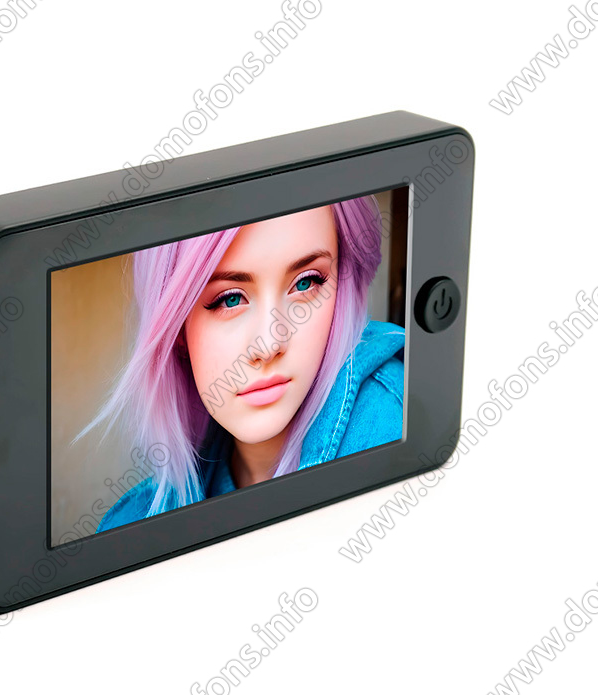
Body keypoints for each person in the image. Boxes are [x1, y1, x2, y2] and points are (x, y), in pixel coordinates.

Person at [73, 196, 404, 533]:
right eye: (230, 299)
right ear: (177, 329)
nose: (269, 344)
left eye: (305, 283)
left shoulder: (394, 428)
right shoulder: (133, 528)